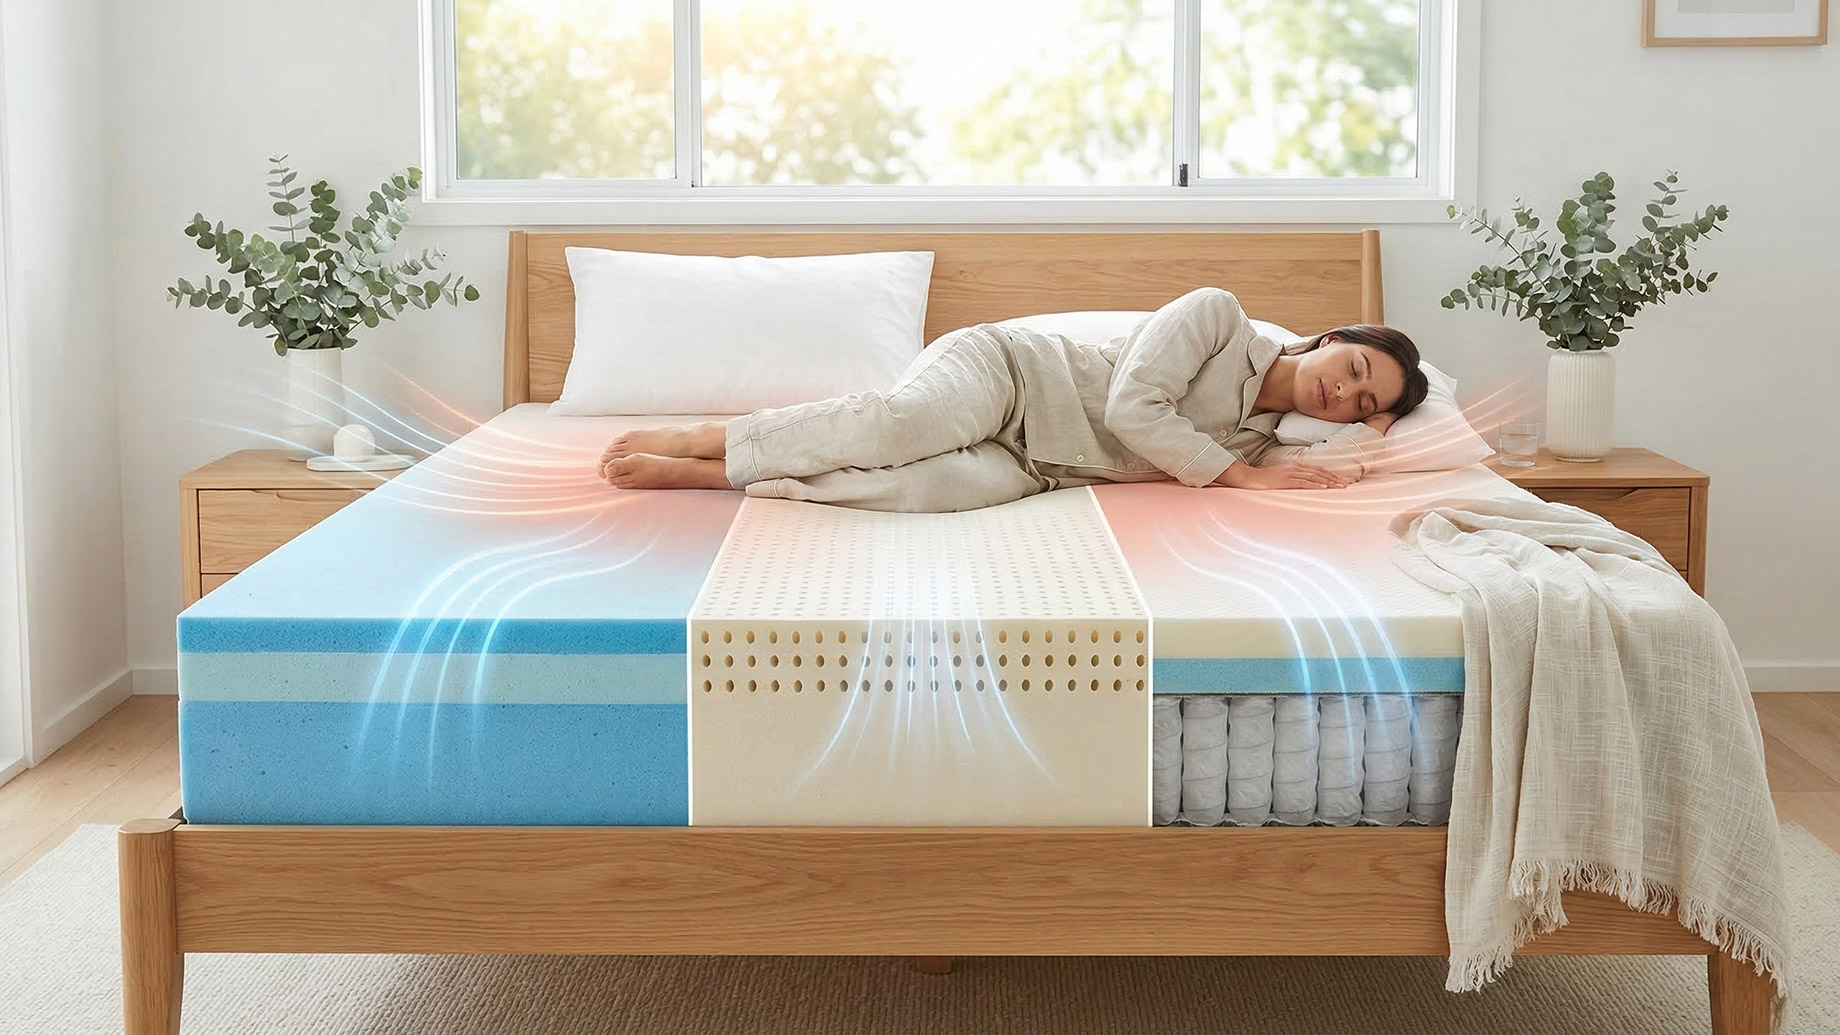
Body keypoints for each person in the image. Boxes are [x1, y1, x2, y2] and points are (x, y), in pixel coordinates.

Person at [598, 286, 1429, 513]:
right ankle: (714, 437)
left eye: (1361, 404)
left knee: (923, 492)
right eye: (1357, 369)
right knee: (903, 426)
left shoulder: (1262, 443)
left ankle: (729, 480)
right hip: (1013, 374)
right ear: (1329, 338)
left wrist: (1387, 423)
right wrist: (1240, 481)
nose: (1345, 394)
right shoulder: (1218, 318)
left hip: (1042, 465)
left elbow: (1354, 471)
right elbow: (1138, 412)